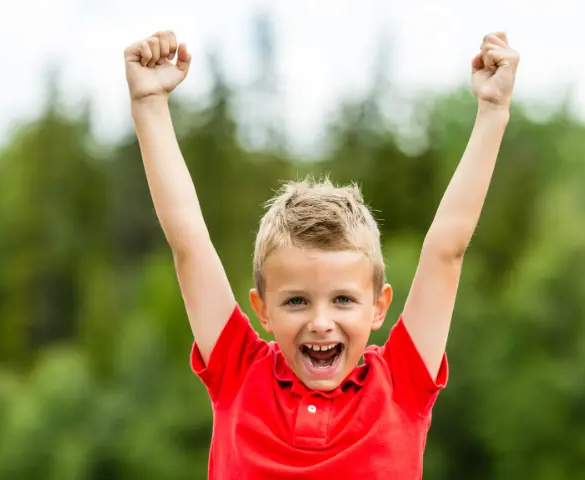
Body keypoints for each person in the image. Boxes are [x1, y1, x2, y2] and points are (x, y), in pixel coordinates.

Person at [123, 29, 519, 480]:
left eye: (343, 299)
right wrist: (149, 105)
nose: (320, 321)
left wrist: (492, 111)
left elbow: (447, 249)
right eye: (296, 300)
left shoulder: (402, 385)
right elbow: (189, 242)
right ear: (262, 308)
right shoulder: (238, 371)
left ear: (379, 306)